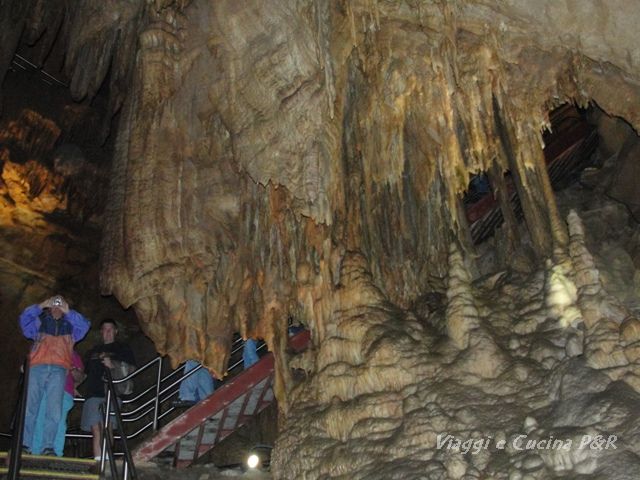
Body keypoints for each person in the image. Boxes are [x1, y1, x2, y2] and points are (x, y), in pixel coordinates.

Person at [19, 295, 90, 456]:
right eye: (54, 303)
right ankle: (25, 445)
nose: (57, 307)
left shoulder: (71, 326)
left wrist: (68, 311)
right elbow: (24, 320)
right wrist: (41, 305)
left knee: (54, 410)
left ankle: (48, 446)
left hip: (59, 369)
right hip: (37, 366)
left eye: (60, 303)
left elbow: (85, 325)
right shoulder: (39, 322)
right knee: (30, 407)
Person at [81, 319, 135, 461]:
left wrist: (113, 365)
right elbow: (84, 373)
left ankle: (107, 459)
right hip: (93, 392)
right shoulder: (92, 352)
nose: (108, 332)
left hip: (112, 392)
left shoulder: (123, 349)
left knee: (108, 427)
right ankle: (99, 460)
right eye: (105, 329)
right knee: (96, 428)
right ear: (101, 332)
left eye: (110, 329)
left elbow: (131, 370)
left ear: (116, 331)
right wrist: (73, 385)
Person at [31, 350, 84, 456]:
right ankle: (36, 451)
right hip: (44, 389)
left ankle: (55, 451)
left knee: (58, 419)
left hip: (64, 390)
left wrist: (72, 369)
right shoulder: (45, 348)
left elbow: (80, 377)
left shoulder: (72, 354)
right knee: (39, 418)